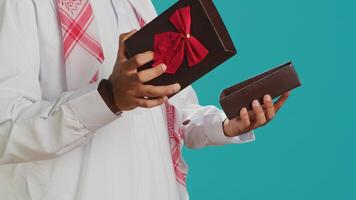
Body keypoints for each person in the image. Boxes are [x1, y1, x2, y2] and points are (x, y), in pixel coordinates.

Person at [0, 0, 290, 199]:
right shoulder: (21, 5)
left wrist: (225, 124)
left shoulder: (136, 5)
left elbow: (174, 108)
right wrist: (108, 98)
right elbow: (6, 129)